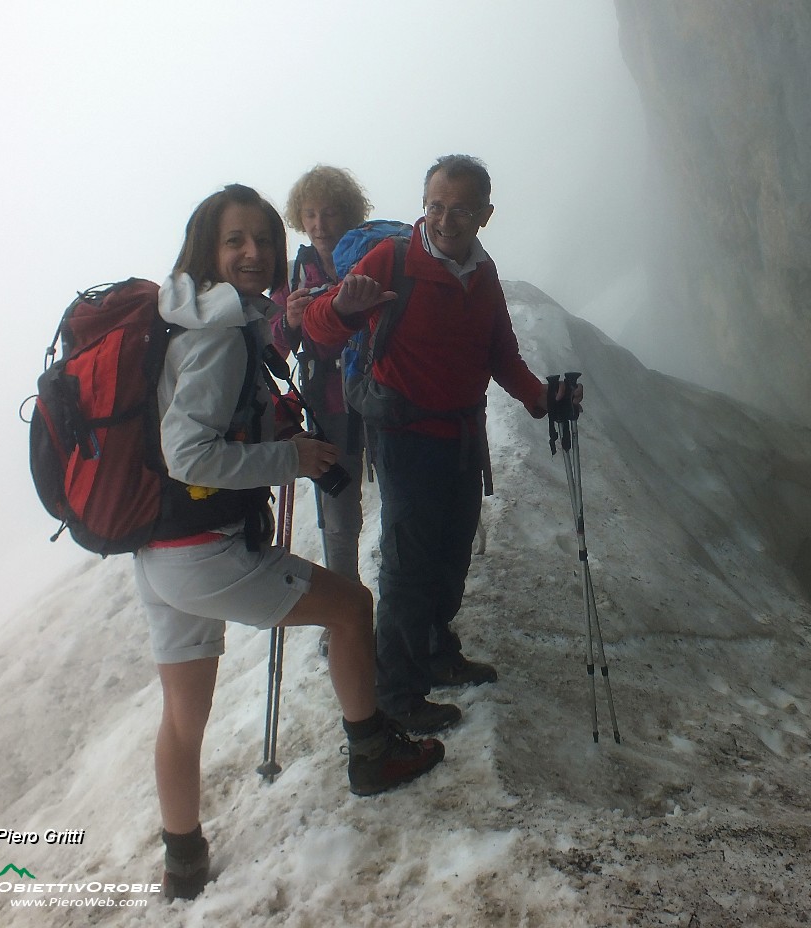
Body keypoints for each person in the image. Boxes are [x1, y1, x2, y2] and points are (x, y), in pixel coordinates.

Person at [136, 184, 443, 901]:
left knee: (183, 714)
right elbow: (188, 453)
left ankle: (183, 861)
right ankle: (372, 754)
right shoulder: (217, 335)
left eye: (263, 240)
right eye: (235, 241)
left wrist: (267, 434)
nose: (253, 253)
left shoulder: (188, 316)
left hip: (157, 550)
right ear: (209, 249)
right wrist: (289, 459)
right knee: (349, 608)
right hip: (203, 546)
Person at [302, 155, 581, 734]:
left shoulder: (482, 273)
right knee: (408, 564)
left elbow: (499, 352)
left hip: (460, 434)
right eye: (435, 206)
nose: (445, 219)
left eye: (459, 209)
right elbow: (322, 330)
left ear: (485, 214)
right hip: (404, 436)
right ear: (423, 206)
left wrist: (541, 399)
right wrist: (343, 306)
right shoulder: (393, 260)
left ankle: (434, 650)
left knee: (451, 553)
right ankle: (396, 691)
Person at [271, 165, 372, 658]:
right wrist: (288, 323)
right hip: (330, 405)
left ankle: (382, 614)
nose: (318, 223)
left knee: (397, 503)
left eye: (328, 211)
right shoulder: (297, 272)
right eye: (309, 213)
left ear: (347, 212)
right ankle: (345, 617)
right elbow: (277, 345)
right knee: (338, 514)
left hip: (378, 396)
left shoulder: (369, 254)